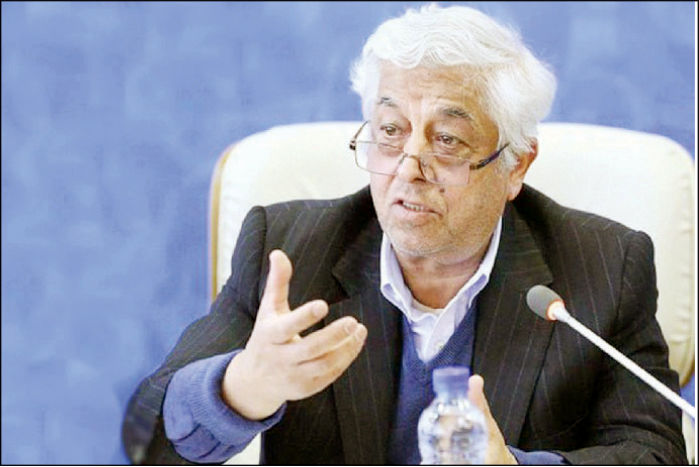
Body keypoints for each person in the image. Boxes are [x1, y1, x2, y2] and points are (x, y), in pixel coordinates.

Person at [122, 4, 687, 464]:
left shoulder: (606, 265)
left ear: (516, 165)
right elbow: (147, 439)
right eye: (391, 130)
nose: (408, 166)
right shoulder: (289, 249)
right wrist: (240, 389)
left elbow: (655, 453)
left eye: (447, 140)